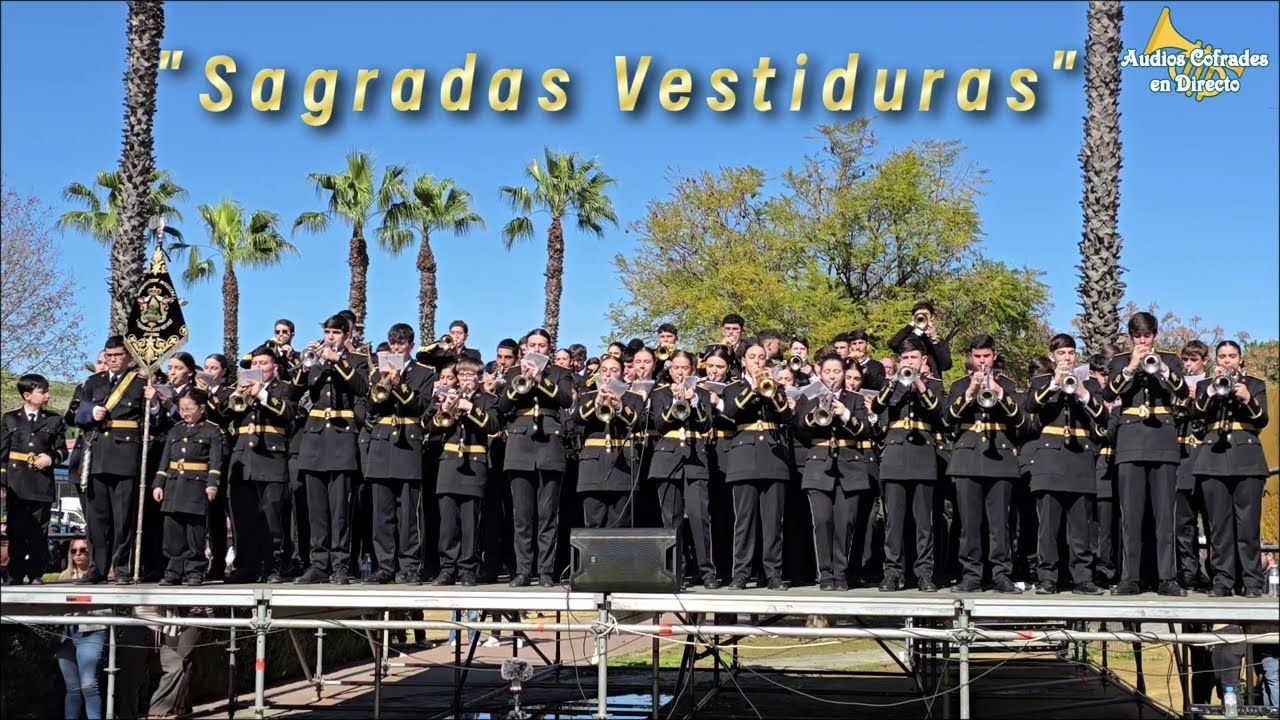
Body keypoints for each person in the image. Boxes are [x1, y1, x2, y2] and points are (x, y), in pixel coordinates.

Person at [1102, 311, 1189, 597]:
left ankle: (1167, 578)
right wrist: (1131, 367)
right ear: (1130, 337)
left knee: (1165, 516)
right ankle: (1130, 579)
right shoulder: (1118, 361)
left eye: (1147, 336)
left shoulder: (1170, 359)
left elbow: (1182, 392)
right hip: (1130, 443)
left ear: (1155, 335)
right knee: (1131, 516)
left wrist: (1161, 367)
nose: (1143, 341)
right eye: (1138, 336)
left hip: (1163, 441)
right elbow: (1109, 396)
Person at [1023, 334, 1107, 594]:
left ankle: (1082, 577)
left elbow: (1102, 416)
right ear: (1052, 357)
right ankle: (1048, 577)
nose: (1067, 358)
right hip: (1049, 460)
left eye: (1071, 353)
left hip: (1080, 458)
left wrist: (1081, 391)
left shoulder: (1090, 383)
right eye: (1061, 354)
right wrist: (1054, 385)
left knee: (1081, 526)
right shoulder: (1041, 382)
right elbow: (1030, 406)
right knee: (1048, 526)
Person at [73, 335, 159, 584]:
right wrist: (91, 413)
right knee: (97, 519)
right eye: (108, 356)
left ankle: (122, 568)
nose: (112, 360)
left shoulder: (140, 383)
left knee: (123, 519)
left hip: (126, 456)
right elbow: (76, 412)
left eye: (118, 355)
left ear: (129, 356)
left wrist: (153, 403)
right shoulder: (92, 382)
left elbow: (155, 421)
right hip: (98, 455)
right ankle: (97, 569)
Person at [291, 315, 370, 584]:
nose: (330, 337)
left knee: (339, 510)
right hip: (314, 439)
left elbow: (362, 388)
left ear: (347, 335)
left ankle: (340, 564)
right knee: (316, 510)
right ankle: (317, 563)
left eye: (336, 332)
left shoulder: (357, 360)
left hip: (341, 438)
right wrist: (304, 366)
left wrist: (339, 363)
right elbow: (293, 394)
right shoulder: (314, 359)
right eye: (327, 331)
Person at [945, 336, 1026, 594]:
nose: (982, 362)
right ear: (971, 357)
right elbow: (947, 421)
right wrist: (969, 393)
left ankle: (1001, 574)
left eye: (986, 357)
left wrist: (1000, 393)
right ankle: (971, 575)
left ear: (994, 355)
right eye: (977, 357)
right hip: (968, 459)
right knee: (969, 525)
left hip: (1000, 459)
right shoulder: (959, 385)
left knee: (999, 524)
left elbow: (1022, 422)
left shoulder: (1008, 385)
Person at [497, 328, 574, 587]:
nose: (537, 349)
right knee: (522, 515)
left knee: (548, 513)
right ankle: (522, 570)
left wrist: (541, 379)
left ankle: (545, 571)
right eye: (533, 345)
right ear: (525, 348)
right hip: (520, 443)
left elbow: (564, 400)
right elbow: (503, 407)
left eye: (542, 345)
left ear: (549, 349)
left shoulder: (561, 373)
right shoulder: (512, 372)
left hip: (550, 443)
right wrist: (520, 381)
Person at [1191, 340, 1269, 597]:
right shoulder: (1206, 386)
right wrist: (1213, 391)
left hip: (1247, 460)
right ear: (1216, 360)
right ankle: (1222, 581)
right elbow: (1197, 413)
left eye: (1232, 356)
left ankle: (1252, 582)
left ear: (1240, 359)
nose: (1227, 360)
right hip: (1213, 459)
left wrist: (1247, 398)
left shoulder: (1255, 385)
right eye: (1222, 356)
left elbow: (1262, 420)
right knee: (1218, 527)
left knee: (1247, 525)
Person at [794, 353, 873, 591]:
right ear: (820, 373)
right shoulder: (809, 397)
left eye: (837, 372)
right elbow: (799, 428)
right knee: (822, 521)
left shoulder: (856, 399)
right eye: (827, 372)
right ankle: (825, 573)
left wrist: (845, 414)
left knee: (845, 523)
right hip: (819, 466)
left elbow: (866, 430)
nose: (832, 377)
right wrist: (817, 410)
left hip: (850, 465)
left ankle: (842, 572)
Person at [874, 336, 947, 592]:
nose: (908, 362)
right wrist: (896, 380)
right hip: (894, 456)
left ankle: (924, 573)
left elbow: (940, 414)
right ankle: (892, 573)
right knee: (893, 522)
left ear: (923, 360)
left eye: (913, 358)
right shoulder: (890, 384)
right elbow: (877, 406)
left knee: (923, 522)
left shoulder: (934, 385)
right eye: (904, 358)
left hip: (923, 457)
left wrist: (919, 384)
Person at [364, 324, 433, 585]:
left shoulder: (424, 373)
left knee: (409, 515)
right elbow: (370, 407)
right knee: (381, 513)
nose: (395, 347)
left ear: (411, 346)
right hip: (381, 445)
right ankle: (384, 566)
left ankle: (410, 566)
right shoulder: (375, 374)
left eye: (401, 343)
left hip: (408, 445)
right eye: (393, 343)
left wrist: (400, 385)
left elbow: (421, 406)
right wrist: (382, 381)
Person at [721, 342, 794, 590]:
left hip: (773, 458)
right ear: (743, 361)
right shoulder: (734, 388)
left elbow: (786, 417)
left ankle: (773, 573)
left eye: (762, 357)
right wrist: (754, 388)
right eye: (752, 357)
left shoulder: (777, 387)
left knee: (773, 522)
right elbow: (731, 412)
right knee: (744, 521)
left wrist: (773, 393)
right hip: (744, 459)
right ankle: (741, 573)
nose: (758, 362)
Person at [224, 344, 296, 583]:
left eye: (263, 364)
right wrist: (237, 394)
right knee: (243, 518)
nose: (257, 368)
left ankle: (272, 566)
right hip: (243, 459)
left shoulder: (284, 388)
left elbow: (288, 415)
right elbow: (226, 416)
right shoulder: (240, 391)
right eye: (254, 364)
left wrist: (262, 395)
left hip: (271, 459)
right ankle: (246, 565)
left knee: (272, 517)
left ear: (274, 368)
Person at [649, 350, 718, 588]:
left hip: (695, 458)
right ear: (670, 370)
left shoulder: (702, 394)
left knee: (700, 517)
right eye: (676, 368)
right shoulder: (659, 394)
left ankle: (706, 572)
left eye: (684, 368)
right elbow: (659, 424)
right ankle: (674, 572)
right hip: (667, 459)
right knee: (672, 519)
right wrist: (674, 402)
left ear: (692, 370)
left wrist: (694, 401)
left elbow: (706, 423)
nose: (680, 372)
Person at [429, 356, 499, 586]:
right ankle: (447, 567)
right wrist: (445, 408)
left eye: (471, 375)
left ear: (479, 378)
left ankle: (468, 567)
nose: (466, 379)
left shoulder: (488, 400)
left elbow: (493, 426)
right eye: (462, 375)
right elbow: (431, 426)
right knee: (448, 522)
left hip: (474, 463)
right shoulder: (445, 395)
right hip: (448, 462)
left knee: (470, 522)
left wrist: (469, 408)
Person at [1, 373, 68, 584]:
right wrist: (2, 483)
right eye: (43, 391)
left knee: (39, 530)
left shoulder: (54, 419)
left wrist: (50, 458)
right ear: (28, 395)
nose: (47, 395)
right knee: (17, 529)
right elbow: (2, 453)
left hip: (41, 483)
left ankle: (36, 572)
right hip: (17, 483)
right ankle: (16, 572)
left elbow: (62, 451)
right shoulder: (10, 418)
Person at [152, 390, 222, 585]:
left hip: (196, 487)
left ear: (201, 408)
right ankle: (173, 570)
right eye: (182, 409)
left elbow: (215, 462)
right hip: (174, 486)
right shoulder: (175, 430)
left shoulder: (211, 430)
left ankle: (194, 570)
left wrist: (212, 485)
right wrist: (159, 484)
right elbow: (165, 460)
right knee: (172, 532)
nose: (185, 413)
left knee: (195, 532)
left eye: (189, 409)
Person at [570, 355, 644, 529]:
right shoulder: (588, 396)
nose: (608, 375)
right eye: (604, 370)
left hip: (623, 465)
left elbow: (639, 424)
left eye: (614, 370)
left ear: (622, 373)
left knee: (621, 523)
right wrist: (597, 403)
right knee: (593, 522)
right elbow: (576, 419)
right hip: (593, 468)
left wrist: (620, 407)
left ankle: (618, 557)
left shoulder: (633, 398)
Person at [55, 541, 109, 720]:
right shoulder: (64, 576)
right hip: (66, 633)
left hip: (92, 630)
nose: (78, 554)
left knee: (88, 684)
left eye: (83, 550)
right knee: (72, 689)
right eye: (74, 551)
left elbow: (108, 606)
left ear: (91, 552)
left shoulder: (104, 575)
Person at [1174, 340, 1211, 590]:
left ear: (1204, 361)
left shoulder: (1213, 384)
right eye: (1185, 360)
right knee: (1183, 523)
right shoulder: (1176, 384)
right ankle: (1189, 572)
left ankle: (1215, 572)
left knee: (1212, 523)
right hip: (1183, 460)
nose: (1188, 365)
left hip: (1208, 460)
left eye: (1193, 360)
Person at [888, 302, 953, 376]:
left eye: (926, 314)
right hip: (909, 379)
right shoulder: (907, 339)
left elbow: (946, 365)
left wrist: (934, 339)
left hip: (931, 383)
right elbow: (893, 344)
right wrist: (911, 325)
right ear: (913, 318)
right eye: (919, 315)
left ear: (931, 317)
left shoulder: (940, 342)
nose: (922, 317)